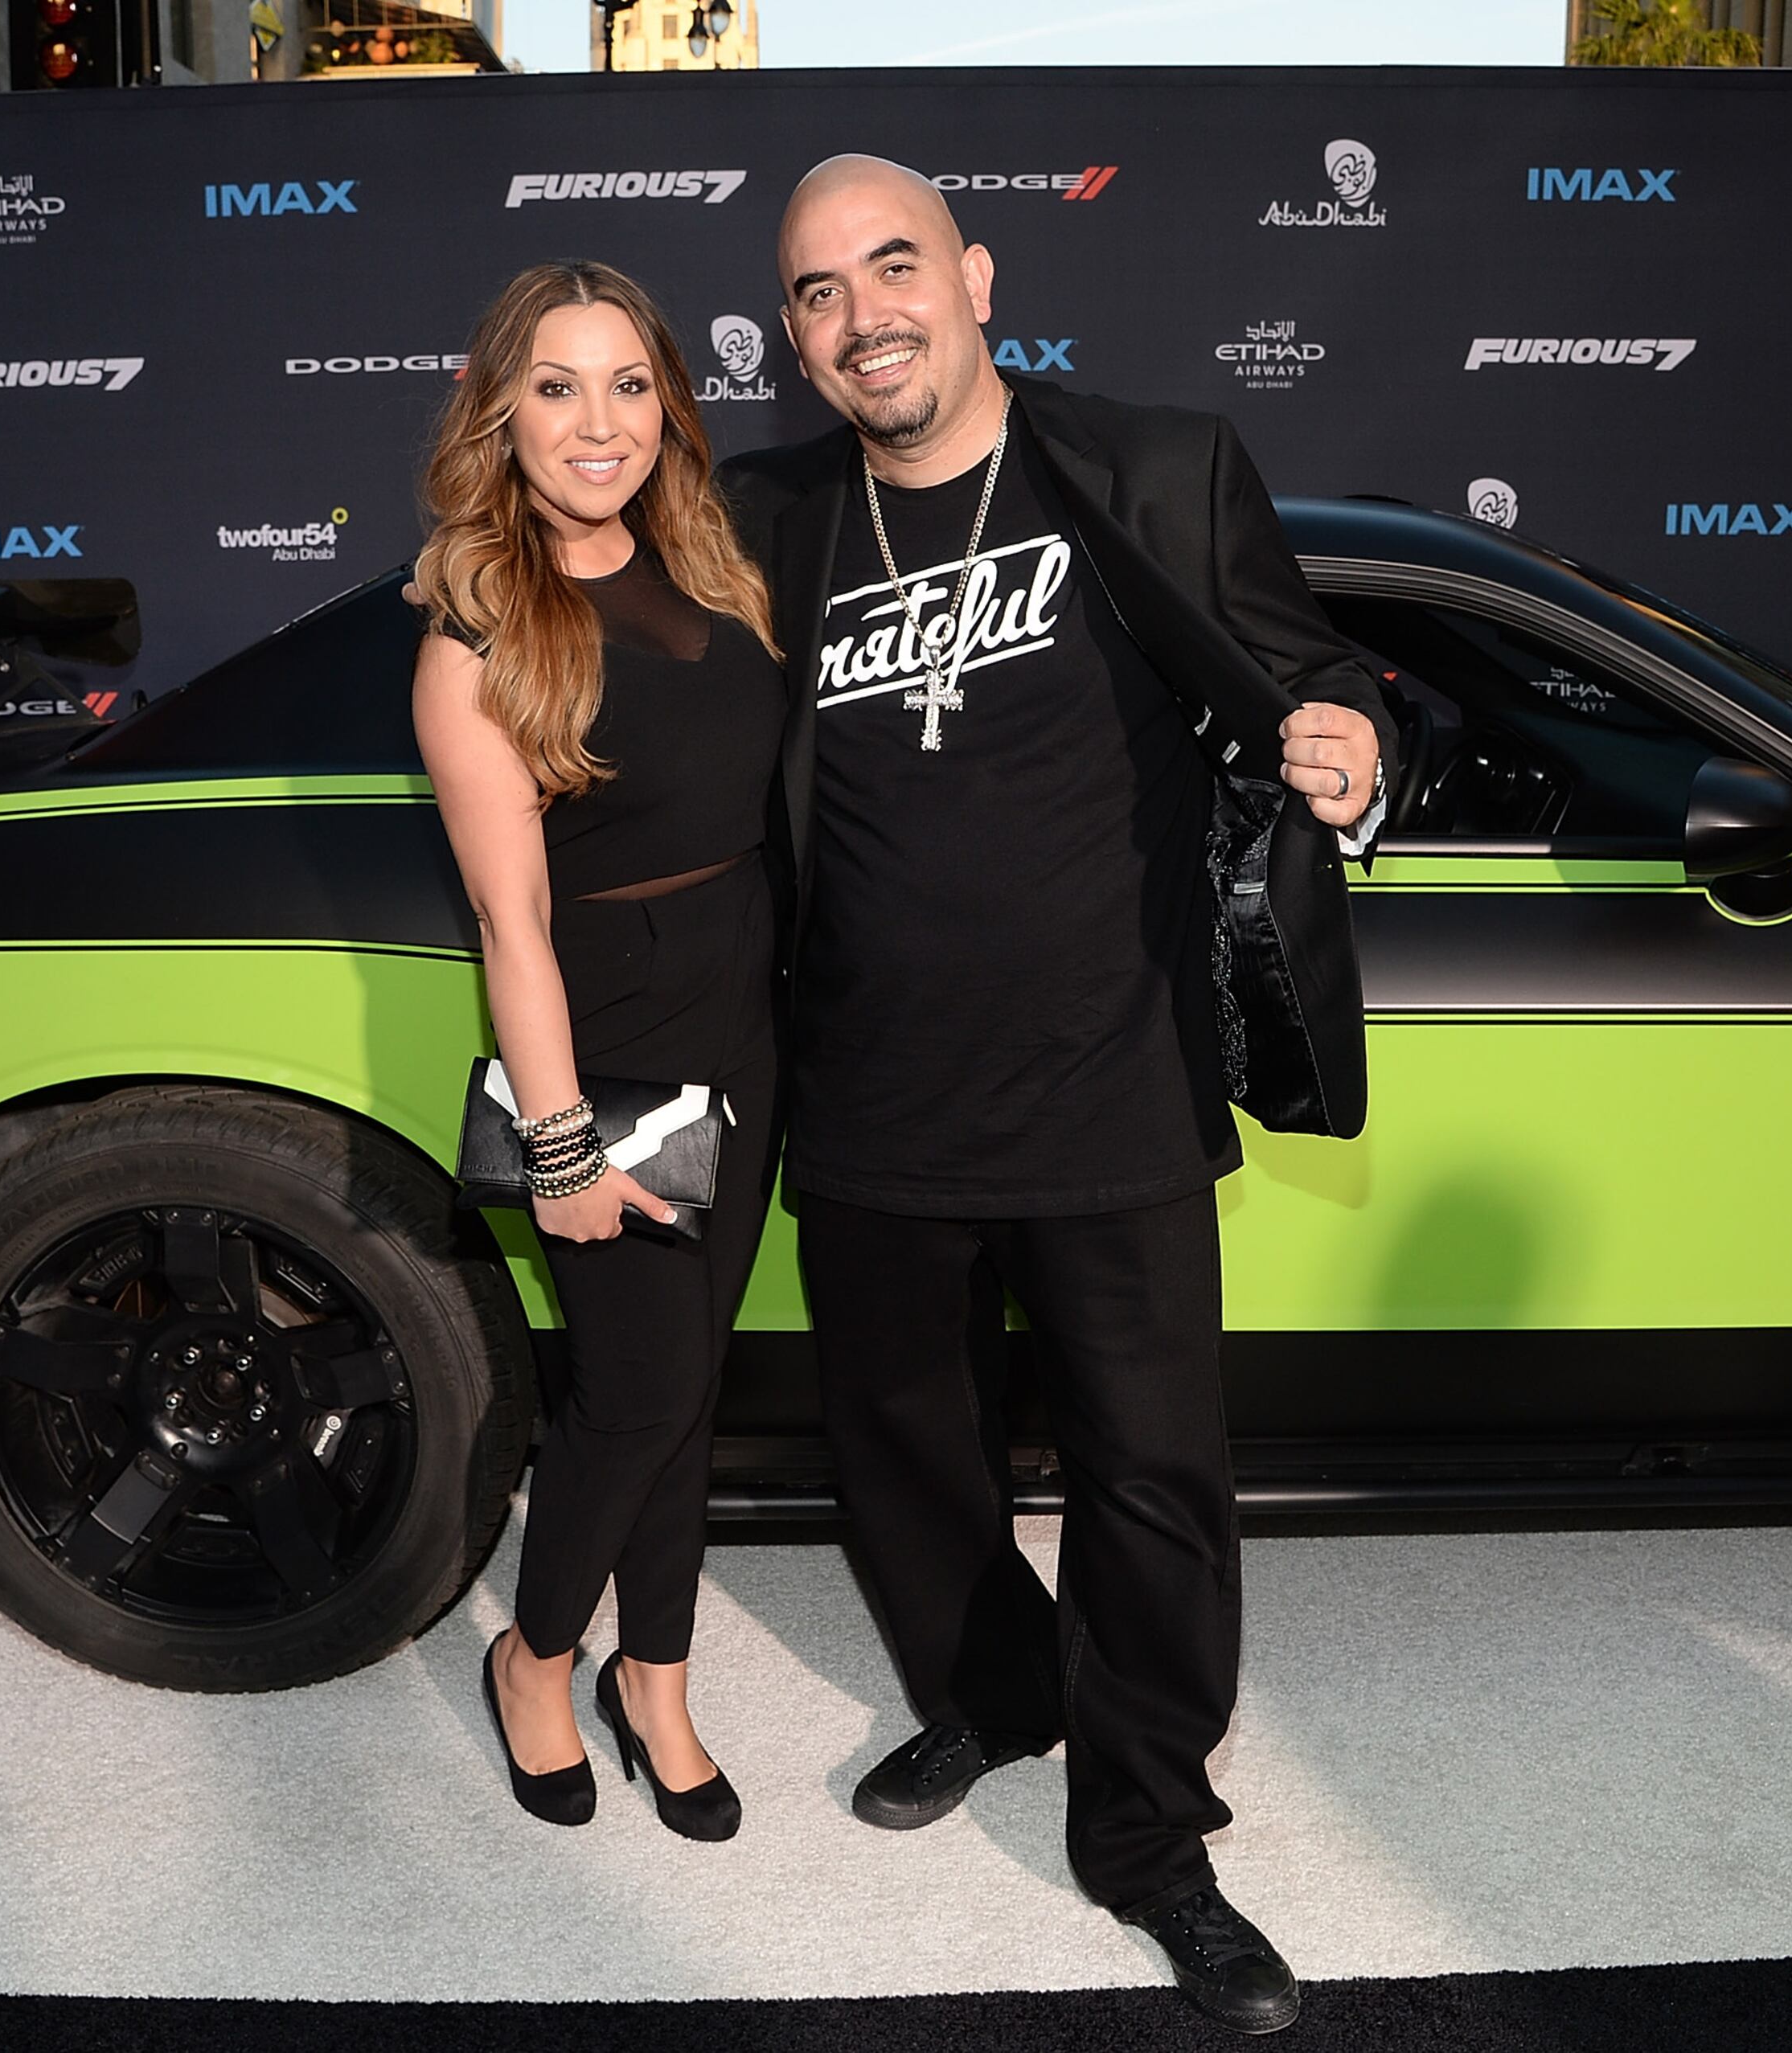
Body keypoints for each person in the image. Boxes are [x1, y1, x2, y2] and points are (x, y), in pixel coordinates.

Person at [720, 158, 1395, 2033]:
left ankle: (1152, 1835)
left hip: (1111, 1082)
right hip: (871, 1099)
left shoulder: (1154, 469)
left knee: (1152, 1479)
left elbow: (1318, 672)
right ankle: (996, 1694)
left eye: (895, 265)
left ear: (977, 275)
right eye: (819, 290)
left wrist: (1350, 743)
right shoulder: (765, 516)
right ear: (795, 338)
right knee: (906, 1455)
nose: (865, 313)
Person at [412, 260, 785, 1843]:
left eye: (628, 384)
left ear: (668, 404)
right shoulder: (478, 632)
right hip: (609, 1042)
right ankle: (537, 1654)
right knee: (638, 1388)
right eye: (557, 387)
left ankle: (661, 1678)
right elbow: (512, 925)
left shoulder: (712, 563)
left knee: (689, 1385)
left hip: (747, 1017)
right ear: (502, 412)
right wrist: (559, 1145)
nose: (597, 423)